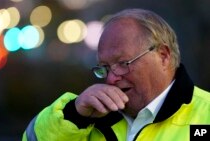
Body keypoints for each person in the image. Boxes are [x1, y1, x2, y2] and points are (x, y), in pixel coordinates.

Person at [22, 8, 210, 141]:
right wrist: (74, 116)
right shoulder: (87, 115)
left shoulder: (206, 115)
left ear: (163, 56)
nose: (111, 78)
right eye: (104, 67)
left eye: (123, 63)